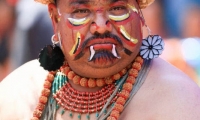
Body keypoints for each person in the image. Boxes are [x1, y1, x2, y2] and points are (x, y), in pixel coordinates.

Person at [0, 0, 200, 120]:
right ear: (55, 18)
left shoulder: (179, 99)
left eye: (118, 8)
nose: (101, 25)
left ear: (140, 14)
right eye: (81, 11)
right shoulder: (18, 92)